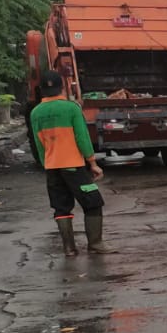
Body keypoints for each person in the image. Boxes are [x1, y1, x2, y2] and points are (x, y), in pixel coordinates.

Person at [29, 71, 109, 256]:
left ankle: (69, 248)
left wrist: (46, 163)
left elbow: (38, 143)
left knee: (61, 207)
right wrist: (92, 162)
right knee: (93, 203)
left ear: (42, 90)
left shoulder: (35, 113)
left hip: (52, 167)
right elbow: (82, 137)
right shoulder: (71, 108)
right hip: (73, 166)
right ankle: (95, 244)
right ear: (62, 88)